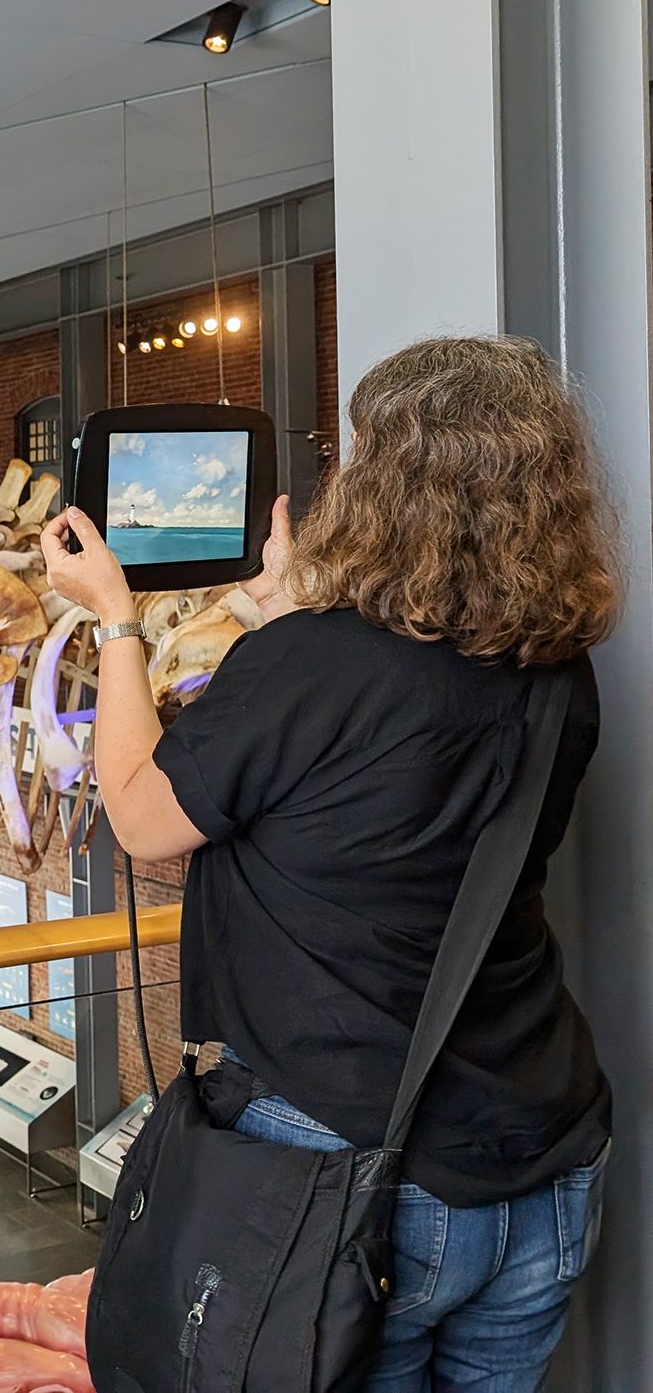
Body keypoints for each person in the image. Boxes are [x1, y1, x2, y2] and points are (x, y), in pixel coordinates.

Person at [41, 335, 619, 1391]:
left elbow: (139, 814)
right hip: (541, 1151)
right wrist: (275, 614)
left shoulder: (310, 667)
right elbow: (394, 755)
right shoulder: (558, 670)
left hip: (358, 1180)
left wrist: (115, 620)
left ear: (381, 482)